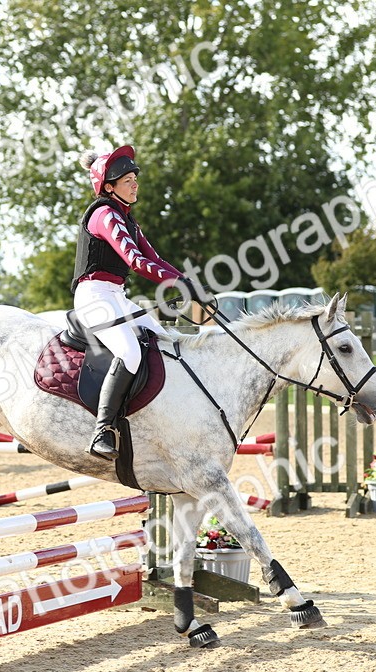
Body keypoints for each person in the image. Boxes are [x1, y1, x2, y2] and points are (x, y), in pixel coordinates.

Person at [73, 145, 214, 460]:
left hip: (116, 296)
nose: (135, 183)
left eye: (135, 177)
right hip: (94, 297)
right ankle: (102, 432)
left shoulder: (127, 219)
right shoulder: (104, 213)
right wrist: (182, 285)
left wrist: (190, 285)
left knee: (163, 341)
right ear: (109, 186)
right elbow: (136, 262)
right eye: (128, 179)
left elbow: (156, 259)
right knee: (129, 351)